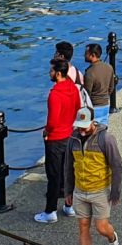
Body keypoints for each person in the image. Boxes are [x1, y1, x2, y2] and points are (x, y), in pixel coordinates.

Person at [63, 107, 122, 245]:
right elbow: (68, 166)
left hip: (100, 190)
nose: (81, 130)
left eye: (84, 126)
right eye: (79, 126)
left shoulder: (106, 139)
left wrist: (115, 191)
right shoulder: (73, 139)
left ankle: (112, 238)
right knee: (83, 226)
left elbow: (117, 165)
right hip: (79, 190)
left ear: (92, 122)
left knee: (101, 227)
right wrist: (68, 191)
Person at [37, 58, 82, 223]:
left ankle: (50, 211)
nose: (49, 73)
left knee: (54, 176)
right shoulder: (72, 88)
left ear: (57, 73)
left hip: (55, 139)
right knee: (68, 173)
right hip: (69, 135)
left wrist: (47, 131)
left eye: (51, 70)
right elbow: (78, 108)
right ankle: (69, 206)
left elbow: (53, 121)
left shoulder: (55, 94)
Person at [82, 43, 115, 129]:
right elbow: (111, 87)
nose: (84, 55)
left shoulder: (90, 73)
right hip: (105, 106)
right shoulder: (109, 67)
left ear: (93, 55)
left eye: (86, 53)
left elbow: (86, 95)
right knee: (103, 131)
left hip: (94, 107)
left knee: (93, 135)